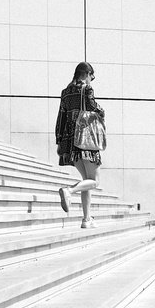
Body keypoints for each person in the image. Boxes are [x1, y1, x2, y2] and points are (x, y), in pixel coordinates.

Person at [54, 61, 104, 230]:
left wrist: (59, 140)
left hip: (70, 141)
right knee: (95, 181)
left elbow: (60, 118)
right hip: (86, 140)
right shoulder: (86, 89)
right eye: (92, 76)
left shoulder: (65, 92)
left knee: (87, 180)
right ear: (86, 73)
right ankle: (68, 191)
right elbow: (92, 107)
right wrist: (101, 110)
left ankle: (86, 219)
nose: (92, 79)